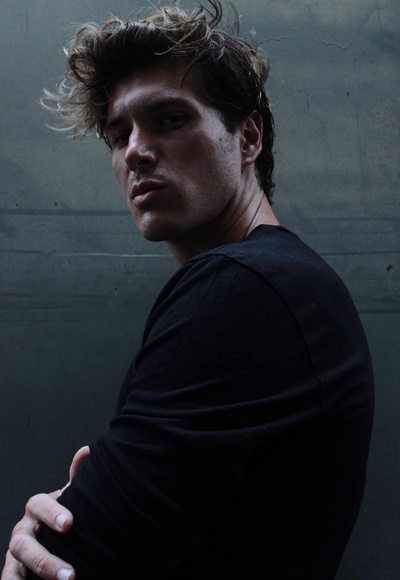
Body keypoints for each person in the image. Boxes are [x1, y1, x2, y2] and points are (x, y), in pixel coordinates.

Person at [2, 1, 374, 579]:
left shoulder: (245, 289)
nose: (135, 150)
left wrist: (26, 552)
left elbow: (67, 564)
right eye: (118, 134)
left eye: (170, 119)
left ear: (247, 137)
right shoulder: (281, 285)